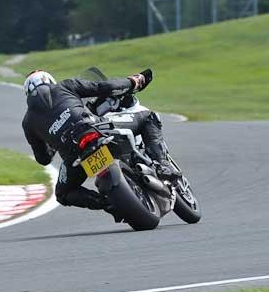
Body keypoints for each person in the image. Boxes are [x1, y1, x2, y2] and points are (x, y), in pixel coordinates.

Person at [20, 69, 178, 220]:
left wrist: (54, 140)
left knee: (63, 194)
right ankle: (162, 164)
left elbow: (43, 159)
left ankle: (109, 204)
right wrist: (132, 82)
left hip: (74, 154)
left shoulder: (28, 122)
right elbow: (104, 87)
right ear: (49, 81)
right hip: (97, 128)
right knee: (149, 117)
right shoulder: (65, 85)